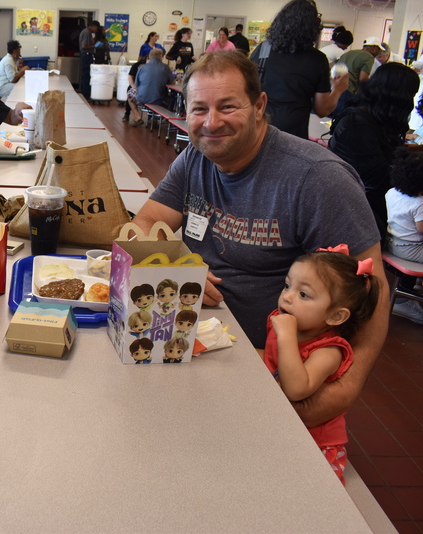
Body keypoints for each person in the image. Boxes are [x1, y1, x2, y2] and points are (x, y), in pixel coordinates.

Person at [131, 50, 388, 430]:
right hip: (195, 344)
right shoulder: (195, 159)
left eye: (228, 106)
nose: (211, 122)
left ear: (259, 105)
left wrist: (342, 393)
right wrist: (179, 269)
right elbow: (148, 221)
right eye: (199, 109)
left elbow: (373, 288)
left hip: (269, 373)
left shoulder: (317, 179)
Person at [264, 247, 380, 484]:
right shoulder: (289, 325)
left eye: (303, 294)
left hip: (314, 446)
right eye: (288, 286)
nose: (287, 296)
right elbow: (272, 360)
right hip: (279, 426)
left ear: (335, 317)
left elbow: (297, 389)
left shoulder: (329, 350)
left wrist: (285, 336)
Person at [329, 63, 419, 241]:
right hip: (358, 212)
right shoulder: (357, 124)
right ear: (398, 97)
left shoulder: (369, 117)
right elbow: (381, 178)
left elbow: (389, 153)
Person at [249, 0, 346, 139]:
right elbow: (322, 109)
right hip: (293, 131)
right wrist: (337, 90)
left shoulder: (264, 49)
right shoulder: (317, 60)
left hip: (259, 124)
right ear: (313, 28)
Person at [385, 149, 423, 324]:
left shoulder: (391, 192)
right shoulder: (420, 203)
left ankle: (411, 290)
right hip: (411, 250)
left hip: (393, 244)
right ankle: (404, 301)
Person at [332, 36, 382, 118]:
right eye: (379, 50)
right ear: (373, 48)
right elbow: (363, 79)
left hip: (334, 88)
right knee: (343, 119)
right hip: (347, 90)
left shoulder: (349, 53)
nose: (378, 53)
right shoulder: (369, 57)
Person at [127, 48, 176, 126]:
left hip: (142, 98)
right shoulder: (165, 67)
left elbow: (136, 85)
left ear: (149, 57)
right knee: (171, 97)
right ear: (160, 57)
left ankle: (137, 116)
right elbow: (172, 82)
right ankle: (155, 118)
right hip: (159, 99)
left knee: (130, 93)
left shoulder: (142, 67)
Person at [79, 20, 101, 98]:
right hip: (86, 55)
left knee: (86, 74)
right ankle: (86, 94)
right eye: (96, 28)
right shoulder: (87, 33)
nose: (96, 30)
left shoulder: (87, 32)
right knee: (86, 74)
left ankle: (85, 92)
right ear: (92, 26)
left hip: (87, 55)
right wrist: (94, 46)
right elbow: (84, 46)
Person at [121, 55, 146, 122]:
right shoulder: (136, 65)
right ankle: (127, 114)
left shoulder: (152, 67)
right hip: (136, 85)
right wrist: (133, 86)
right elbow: (130, 76)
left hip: (146, 87)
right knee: (130, 91)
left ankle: (151, 118)